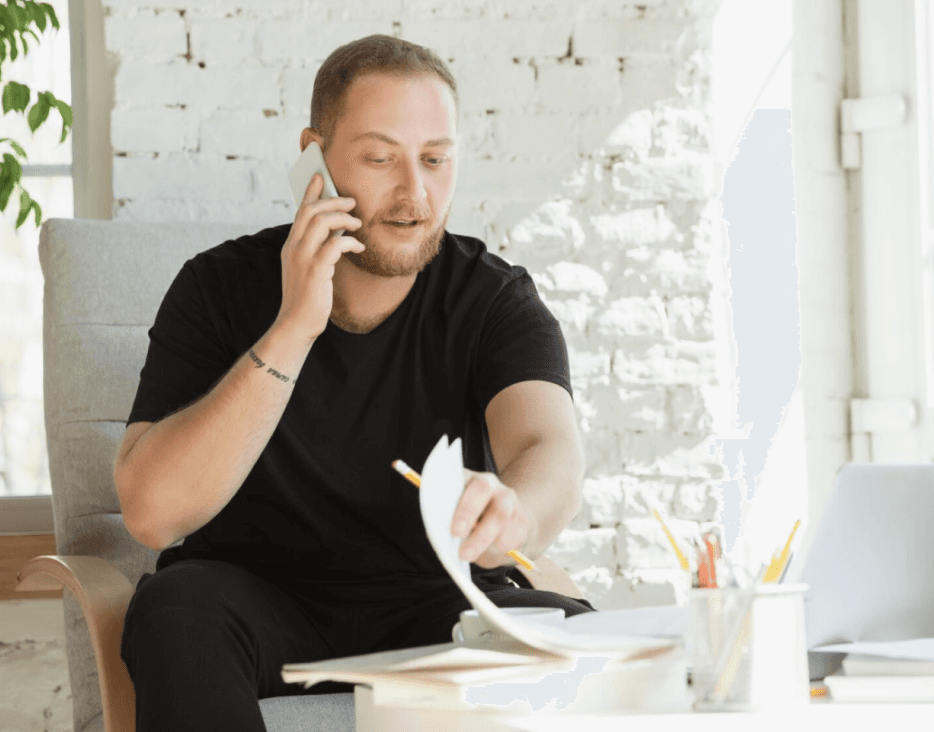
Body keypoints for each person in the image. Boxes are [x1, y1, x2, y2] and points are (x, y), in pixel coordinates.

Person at [112, 34, 591, 731]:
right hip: (259, 601)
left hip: (438, 601)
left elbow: (550, 445)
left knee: (570, 638)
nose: (414, 193)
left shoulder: (492, 299)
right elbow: (151, 513)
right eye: (379, 158)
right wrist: (294, 327)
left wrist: (518, 508)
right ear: (315, 155)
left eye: (435, 160)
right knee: (175, 609)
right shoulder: (215, 288)